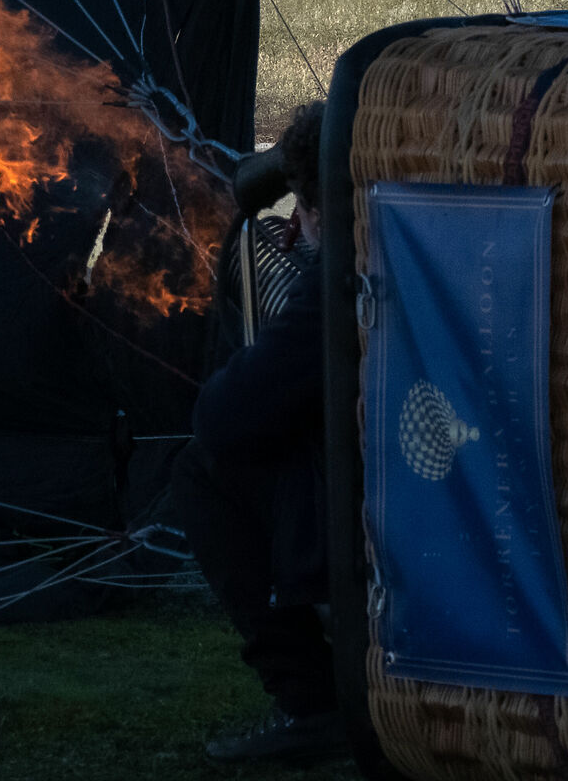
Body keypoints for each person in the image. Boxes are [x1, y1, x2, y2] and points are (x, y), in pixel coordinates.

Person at [175, 102, 343, 763]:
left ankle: (312, 699)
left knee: (199, 471)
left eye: (303, 205)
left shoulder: (339, 282)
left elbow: (225, 418)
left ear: (316, 206)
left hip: (377, 515)